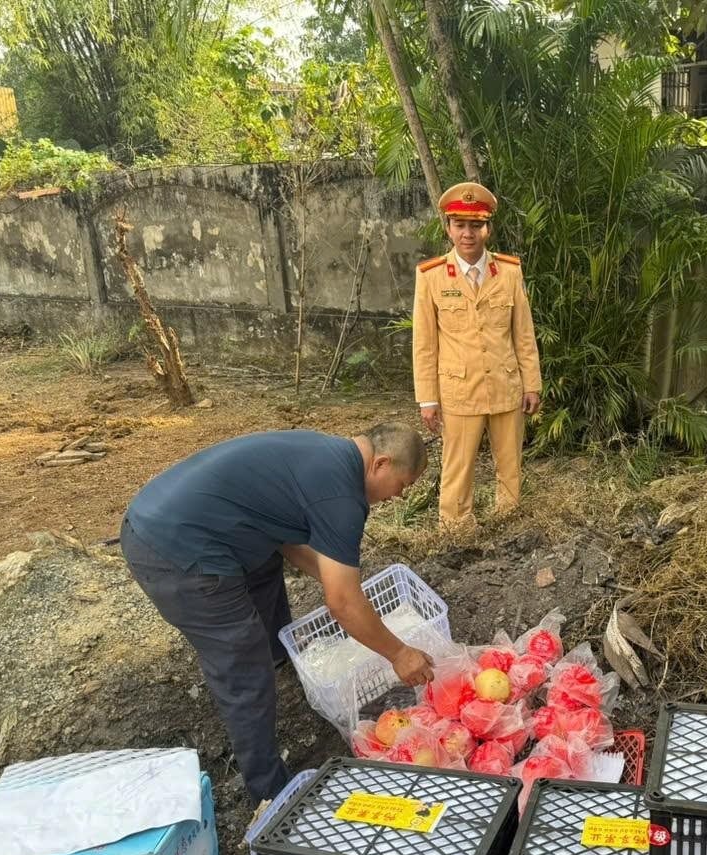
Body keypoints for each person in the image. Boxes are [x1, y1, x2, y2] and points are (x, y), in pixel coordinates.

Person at [119, 423, 435, 803]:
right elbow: (342, 604)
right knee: (243, 662)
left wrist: (342, 583)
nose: (399, 497)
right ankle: (270, 793)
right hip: (177, 550)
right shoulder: (342, 497)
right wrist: (399, 653)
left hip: (165, 512)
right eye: (402, 485)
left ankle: (280, 663)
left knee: (265, 564)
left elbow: (288, 539)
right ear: (381, 464)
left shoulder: (327, 453)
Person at [412, 181, 542, 530]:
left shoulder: (510, 272)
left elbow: (523, 335)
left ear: (488, 228)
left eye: (476, 225)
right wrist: (427, 399)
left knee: (510, 463)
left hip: (505, 386)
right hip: (459, 391)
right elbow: (424, 344)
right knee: (458, 465)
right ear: (448, 228)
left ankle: (508, 523)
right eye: (460, 225)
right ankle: (456, 527)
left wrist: (532, 384)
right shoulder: (431, 277)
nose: (468, 233)